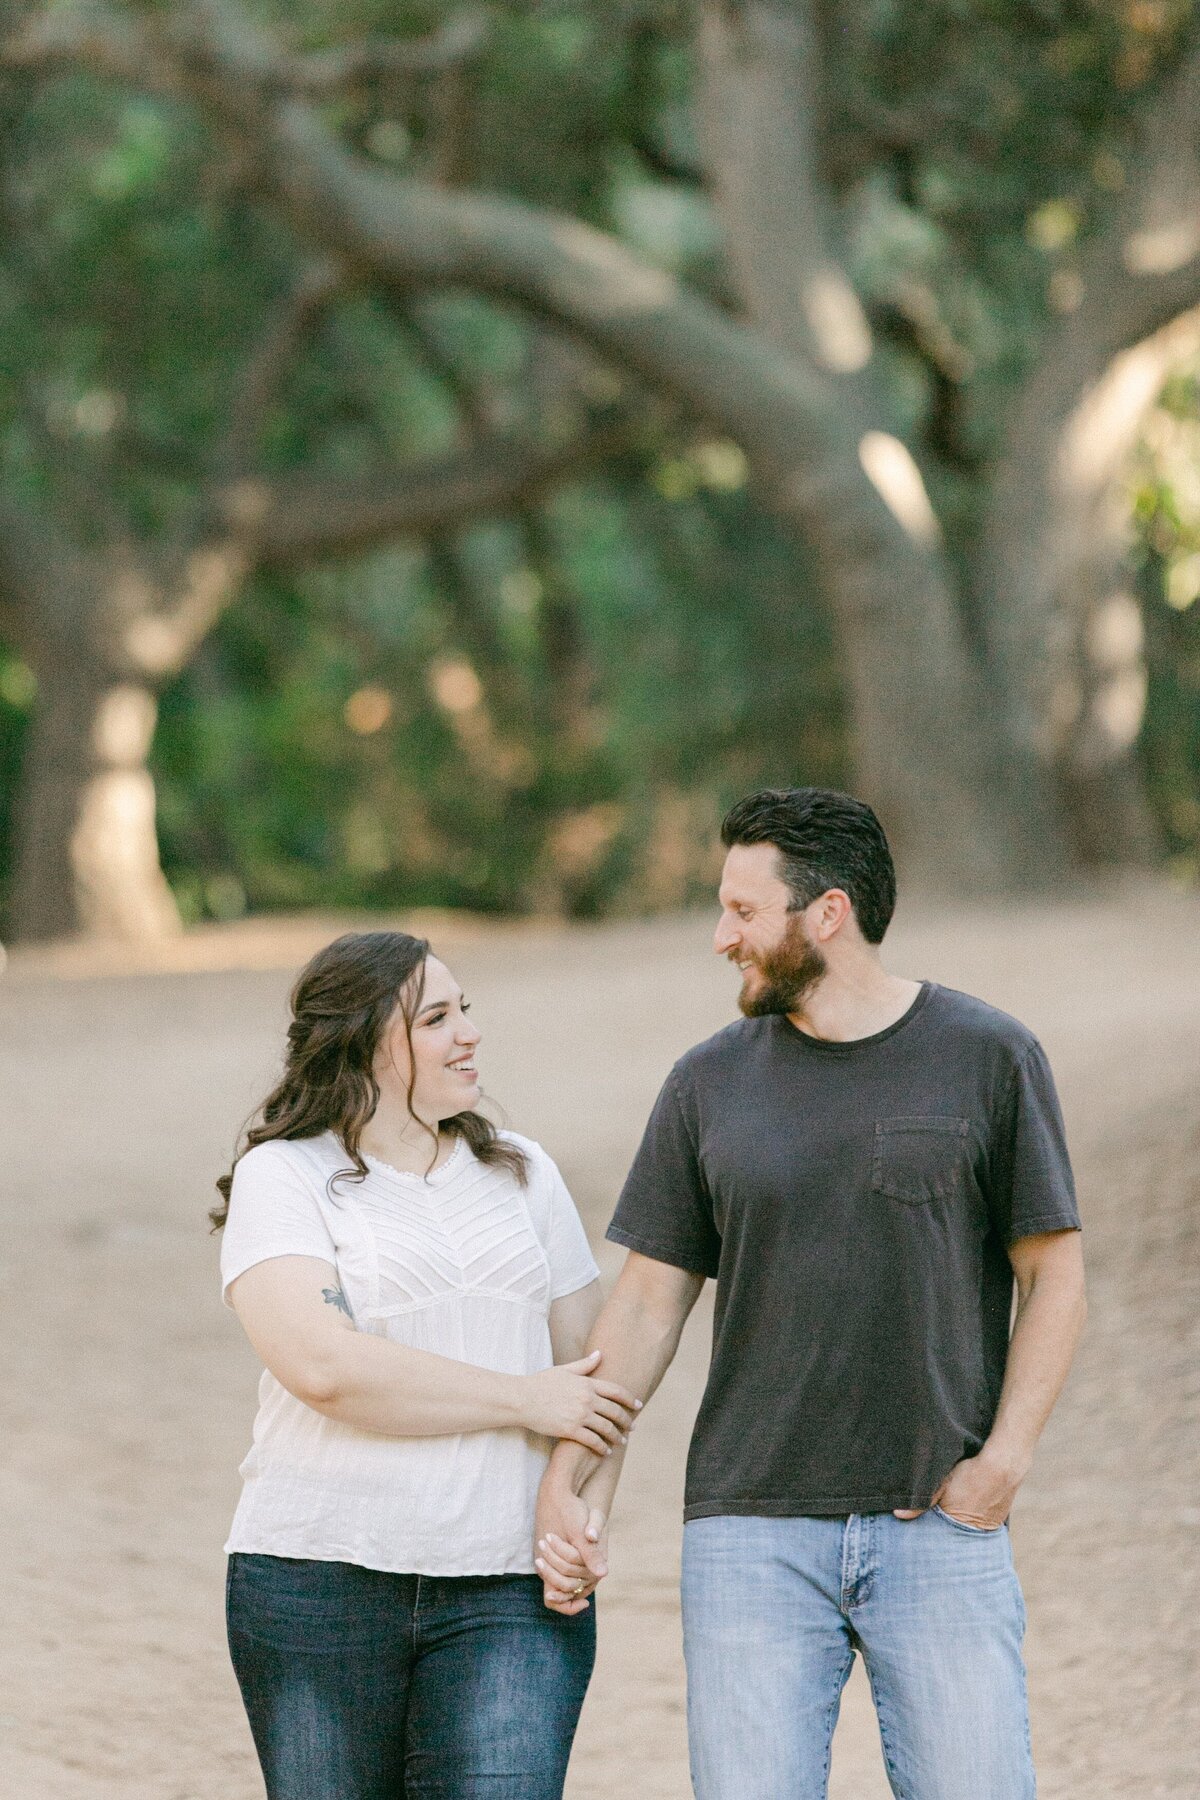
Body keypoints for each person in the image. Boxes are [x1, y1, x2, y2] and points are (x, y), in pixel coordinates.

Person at [534, 787, 1087, 1800]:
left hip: (942, 1522)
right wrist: (566, 1472)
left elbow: (1053, 1273)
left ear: (825, 914)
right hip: (749, 1531)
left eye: (743, 911)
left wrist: (1003, 1464)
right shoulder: (707, 1083)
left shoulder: (988, 1056)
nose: (719, 937)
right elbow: (650, 1300)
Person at [213, 929, 639, 1800]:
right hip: (318, 1582)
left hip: (507, 1590)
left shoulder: (524, 1174)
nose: (469, 1033)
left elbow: (593, 1385)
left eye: (465, 1010)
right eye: (437, 1018)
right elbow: (326, 1368)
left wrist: (580, 1518)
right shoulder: (285, 1178)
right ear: (366, 1043)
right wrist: (525, 1400)